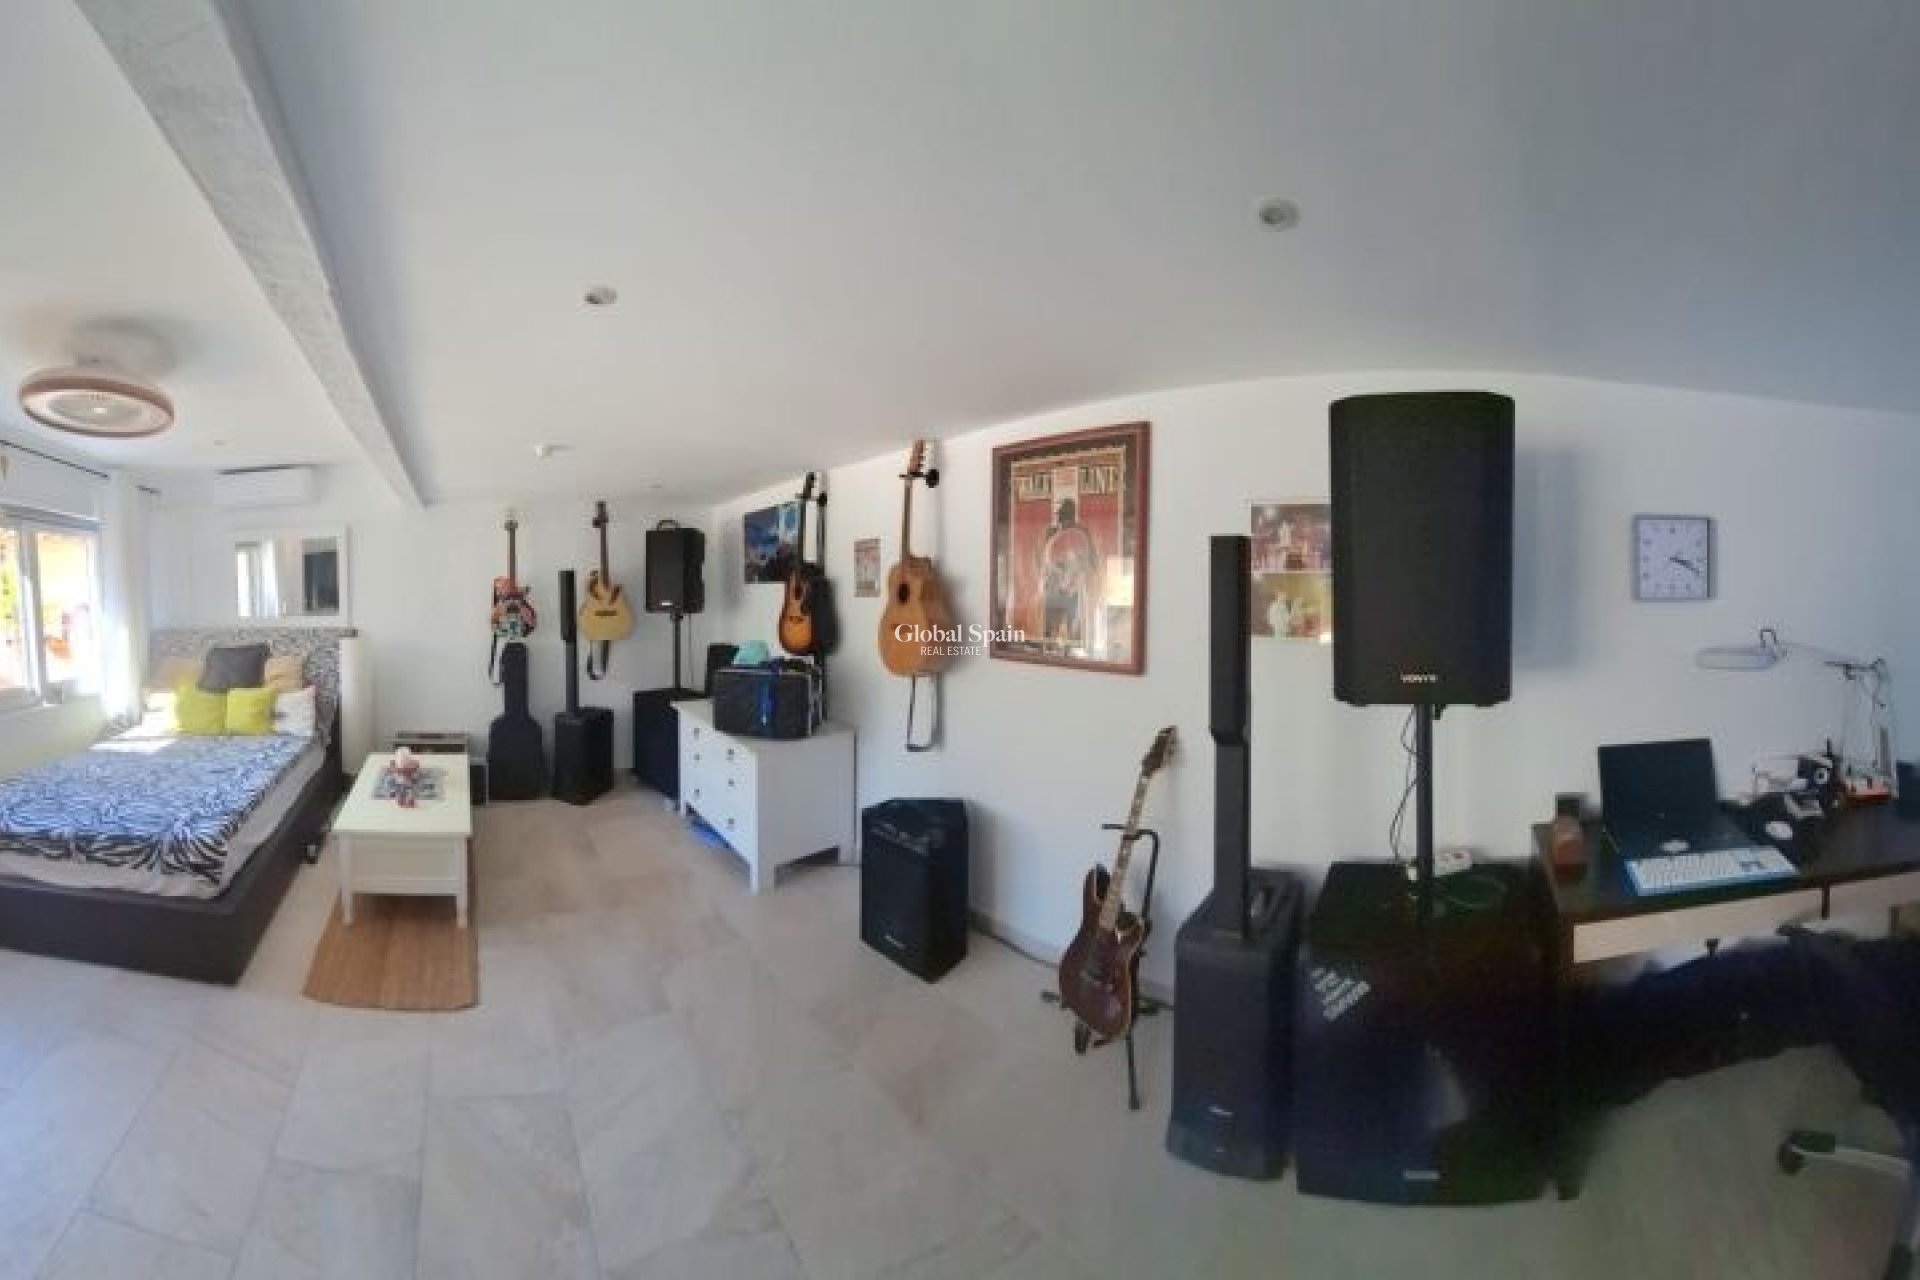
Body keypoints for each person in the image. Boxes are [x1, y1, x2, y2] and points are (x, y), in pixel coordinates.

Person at [1038, 498, 1102, 648]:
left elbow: (1091, 563)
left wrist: (1073, 578)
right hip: (1052, 589)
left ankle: (1072, 653)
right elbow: (1043, 560)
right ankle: (1048, 652)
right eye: (1058, 513)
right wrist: (1046, 578)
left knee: (1074, 634)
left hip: (1072, 591)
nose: (1058, 516)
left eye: (1061, 513)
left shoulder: (1082, 533)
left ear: (1071, 514)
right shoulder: (1051, 532)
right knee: (1048, 634)